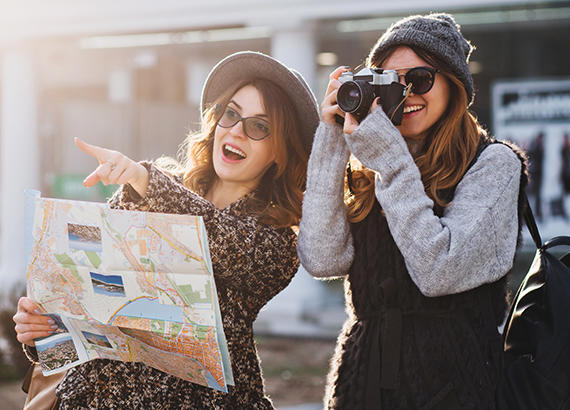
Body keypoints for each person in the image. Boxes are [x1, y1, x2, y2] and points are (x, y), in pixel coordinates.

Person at [14, 51, 319, 409]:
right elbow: (86, 304)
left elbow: (216, 240)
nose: (236, 130)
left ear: (279, 152)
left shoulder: (277, 240)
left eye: (258, 126)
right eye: (231, 114)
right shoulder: (148, 191)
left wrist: (146, 180)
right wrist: (42, 332)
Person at [298, 13, 528, 410]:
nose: (406, 94)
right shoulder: (372, 166)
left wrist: (390, 162)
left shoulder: (494, 165)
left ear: (454, 85)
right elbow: (321, 259)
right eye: (389, 82)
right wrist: (333, 136)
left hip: (457, 385)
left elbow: (438, 271)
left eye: (419, 79)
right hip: (362, 383)